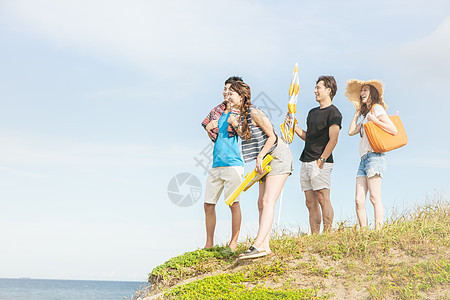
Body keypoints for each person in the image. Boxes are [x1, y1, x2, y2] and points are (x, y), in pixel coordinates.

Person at [227, 81, 293, 259]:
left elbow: (271, 135)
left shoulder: (254, 112)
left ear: (241, 97)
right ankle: (265, 245)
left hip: (277, 156)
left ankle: (258, 244)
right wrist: (235, 125)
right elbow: (248, 136)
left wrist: (259, 156)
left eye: (231, 94)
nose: (228, 96)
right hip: (265, 160)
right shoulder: (242, 115)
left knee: (267, 201)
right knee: (260, 203)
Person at [292, 76, 342, 234]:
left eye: (318, 87)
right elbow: (309, 137)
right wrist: (294, 127)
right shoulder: (311, 113)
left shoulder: (334, 113)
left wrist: (322, 159)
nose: (315, 91)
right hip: (306, 160)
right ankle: (314, 235)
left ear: (329, 90)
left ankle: (327, 234)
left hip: (321, 161)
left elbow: (333, 139)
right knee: (309, 202)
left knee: (322, 197)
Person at [345, 79, 397, 229]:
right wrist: (356, 114)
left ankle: (378, 231)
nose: (362, 93)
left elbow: (393, 129)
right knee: (358, 200)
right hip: (363, 160)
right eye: (361, 91)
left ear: (372, 93)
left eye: (365, 90)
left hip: (375, 157)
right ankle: (364, 231)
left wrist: (375, 120)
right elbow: (350, 132)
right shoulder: (364, 116)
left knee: (374, 198)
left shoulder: (377, 109)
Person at [201, 76, 244, 251]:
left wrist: (235, 123)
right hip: (216, 164)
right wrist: (207, 128)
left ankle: (233, 243)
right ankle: (209, 243)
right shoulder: (217, 111)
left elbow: (245, 134)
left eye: (230, 90)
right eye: (225, 89)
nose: (226, 93)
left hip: (233, 163)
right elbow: (210, 131)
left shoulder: (241, 112)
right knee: (208, 204)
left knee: (233, 203)